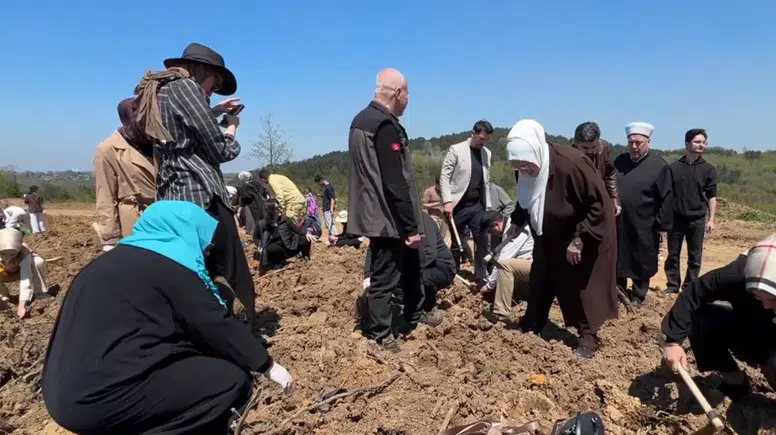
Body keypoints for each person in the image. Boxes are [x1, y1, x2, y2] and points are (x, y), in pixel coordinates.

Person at [42, 201, 292, 435]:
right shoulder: (170, 267)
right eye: (202, 239)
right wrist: (266, 365)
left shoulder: (104, 265)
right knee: (230, 381)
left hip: (60, 396)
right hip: (101, 400)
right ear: (184, 232)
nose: (206, 249)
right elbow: (213, 323)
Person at [133, 42, 255, 324]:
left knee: (195, 270)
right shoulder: (186, 88)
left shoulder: (162, 90)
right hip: (202, 193)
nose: (214, 90)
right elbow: (222, 150)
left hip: (174, 193)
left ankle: (201, 328)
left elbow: (182, 129)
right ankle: (243, 332)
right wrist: (231, 127)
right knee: (231, 270)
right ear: (202, 71)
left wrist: (214, 111)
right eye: (216, 82)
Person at [507, 120, 617, 359]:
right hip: (547, 237)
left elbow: (598, 205)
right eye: (519, 167)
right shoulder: (525, 166)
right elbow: (527, 197)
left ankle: (588, 337)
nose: (524, 170)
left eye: (526, 165)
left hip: (578, 237)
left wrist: (579, 240)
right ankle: (533, 322)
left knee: (580, 289)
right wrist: (516, 222)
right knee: (540, 281)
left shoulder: (572, 163)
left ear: (537, 152)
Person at [347, 68, 425, 352]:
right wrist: (410, 226)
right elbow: (394, 181)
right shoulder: (384, 126)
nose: (408, 100)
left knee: (410, 265)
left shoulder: (361, 120)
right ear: (397, 93)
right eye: (407, 94)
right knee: (385, 276)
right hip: (387, 216)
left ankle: (415, 312)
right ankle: (381, 334)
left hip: (374, 212)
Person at [661, 232, 776, 401]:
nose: (766, 305)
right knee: (703, 319)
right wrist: (673, 341)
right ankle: (736, 383)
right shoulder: (737, 273)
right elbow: (694, 293)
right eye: (758, 297)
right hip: (751, 326)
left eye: (773, 300)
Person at [614, 122, 673, 307]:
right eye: (630, 142)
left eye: (638, 142)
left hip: (645, 222)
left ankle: (638, 295)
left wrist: (661, 225)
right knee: (619, 257)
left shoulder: (658, 165)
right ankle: (619, 291)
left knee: (641, 257)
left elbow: (666, 197)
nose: (634, 146)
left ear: (648, 142)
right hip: (620, 220)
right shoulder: (620, 161)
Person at [363, 212, 451, 326]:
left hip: (439, 267)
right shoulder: (387, 221)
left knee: (402, 279)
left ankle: (426, 308)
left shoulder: (422, 221)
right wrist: (368, 276)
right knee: (393, 277)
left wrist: (402, 272)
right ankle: (408, 303)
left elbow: (429, 255)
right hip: (417, 264)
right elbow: (373, 248)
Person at [94, 97, 157, 252]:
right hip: (136, 220)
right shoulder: (108, 149)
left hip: (164, 216)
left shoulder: (157, 144)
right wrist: (110, 239)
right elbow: (105, 195)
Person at [664, 128, 718, 294]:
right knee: (673, 254)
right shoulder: (673, 168)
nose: (701, 145)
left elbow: (712, 196)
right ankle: (672, 285)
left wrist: (711, 219)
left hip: (697, 219)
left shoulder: (708, 169)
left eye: (703, 142)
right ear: (687, 144)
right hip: (676, 218)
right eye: (697, 142)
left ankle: (689, 287)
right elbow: (666, 194)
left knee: (695, 257)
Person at [440, 120, 494, 284]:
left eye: (486, 140)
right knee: (457, 242)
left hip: (477, 205)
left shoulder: (487, 154)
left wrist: (488, 206)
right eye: (481, 139)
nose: (483, 143)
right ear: (473, 134)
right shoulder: (456, 150)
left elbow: (486, 181)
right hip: (458, 205)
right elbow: (445, 176)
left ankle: (481, 275)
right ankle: (453, 274)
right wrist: (447, 201)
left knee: (482, 239)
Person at [479, 210, 533, 322]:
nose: (491, 234)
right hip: (527, 264)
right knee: (496, 266)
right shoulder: (509, 228)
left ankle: (501, 313)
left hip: (537, 267)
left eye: (490, 231)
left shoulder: (517, 229)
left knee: (504, 266)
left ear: (496, 224)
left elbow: (502, 260)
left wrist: (488, 287)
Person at [572, 121, 620, 216]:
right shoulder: (568, 155)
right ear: (576, 143)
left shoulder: (604, 148)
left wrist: (614, 198)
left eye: (594, 147)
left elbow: (609, 174)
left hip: (599, 200)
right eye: (585, 148)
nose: (590, 151)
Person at [0, 228, 49, 319]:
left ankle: (40, 292)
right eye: (3, 254)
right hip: (3, 275)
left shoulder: (24, 252)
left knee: (38, 261)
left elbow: (26, 277)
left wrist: (22, 304)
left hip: (19, 272)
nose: (8, 257)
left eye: (12, 254)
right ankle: (4, 298)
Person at [255, 201, 316, 274]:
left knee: (305, 239)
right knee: (269, 249)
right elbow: (255, 237)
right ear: (270, 212)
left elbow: (298, 230)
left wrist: (307, 233)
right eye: (276, 209)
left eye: (278, 208)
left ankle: (305, 256)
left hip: (291, 246)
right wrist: (259, 245)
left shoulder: (285, 220)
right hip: (277, 250)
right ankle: (275, 263)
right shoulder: (262, 224)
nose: (279, 210)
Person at [236, 171, 269, 237]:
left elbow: (244, 198)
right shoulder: (257, 184)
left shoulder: (243, 187)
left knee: (252, 222)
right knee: (261, 219)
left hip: (250, 206)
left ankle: (254, 235)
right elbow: (265, 193)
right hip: (261, 204)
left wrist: (240, 207)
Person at [487, 181, 515, 248]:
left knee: (496, 249)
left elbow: (510, 205)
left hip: (495, 226)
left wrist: (501, 218)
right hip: (483, 226)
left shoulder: (495, 189)